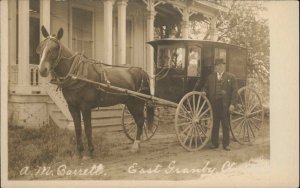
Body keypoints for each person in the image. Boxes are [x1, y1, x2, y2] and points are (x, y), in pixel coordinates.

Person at [203, 58, 237, 151]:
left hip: (225, 104)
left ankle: (226, 144)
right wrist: (204, 92)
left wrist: (232, 104)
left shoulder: (231, 77)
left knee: (225, 124)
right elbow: (205, 88)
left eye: (220, 65)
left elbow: (234, 91)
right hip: (214, 104)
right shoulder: (210, 77)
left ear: (223, 66)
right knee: (215, 123)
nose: (219, 67)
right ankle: (215, 143)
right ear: (215, 67)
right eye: (217, 65)